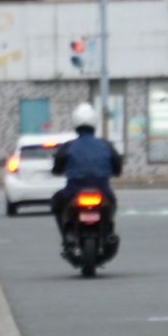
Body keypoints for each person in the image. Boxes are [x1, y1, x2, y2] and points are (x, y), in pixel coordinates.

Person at [51, 103, 122, 246]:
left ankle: (66, 236)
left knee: (56, 202)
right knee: (113, 203)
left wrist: (58, 170)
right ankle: (108, 232)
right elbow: (117, 168)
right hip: (102, 190)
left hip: (73, 191)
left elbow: (57, 168)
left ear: (75, 123)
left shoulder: (68, 146)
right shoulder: (106, 145)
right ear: (95, 123)